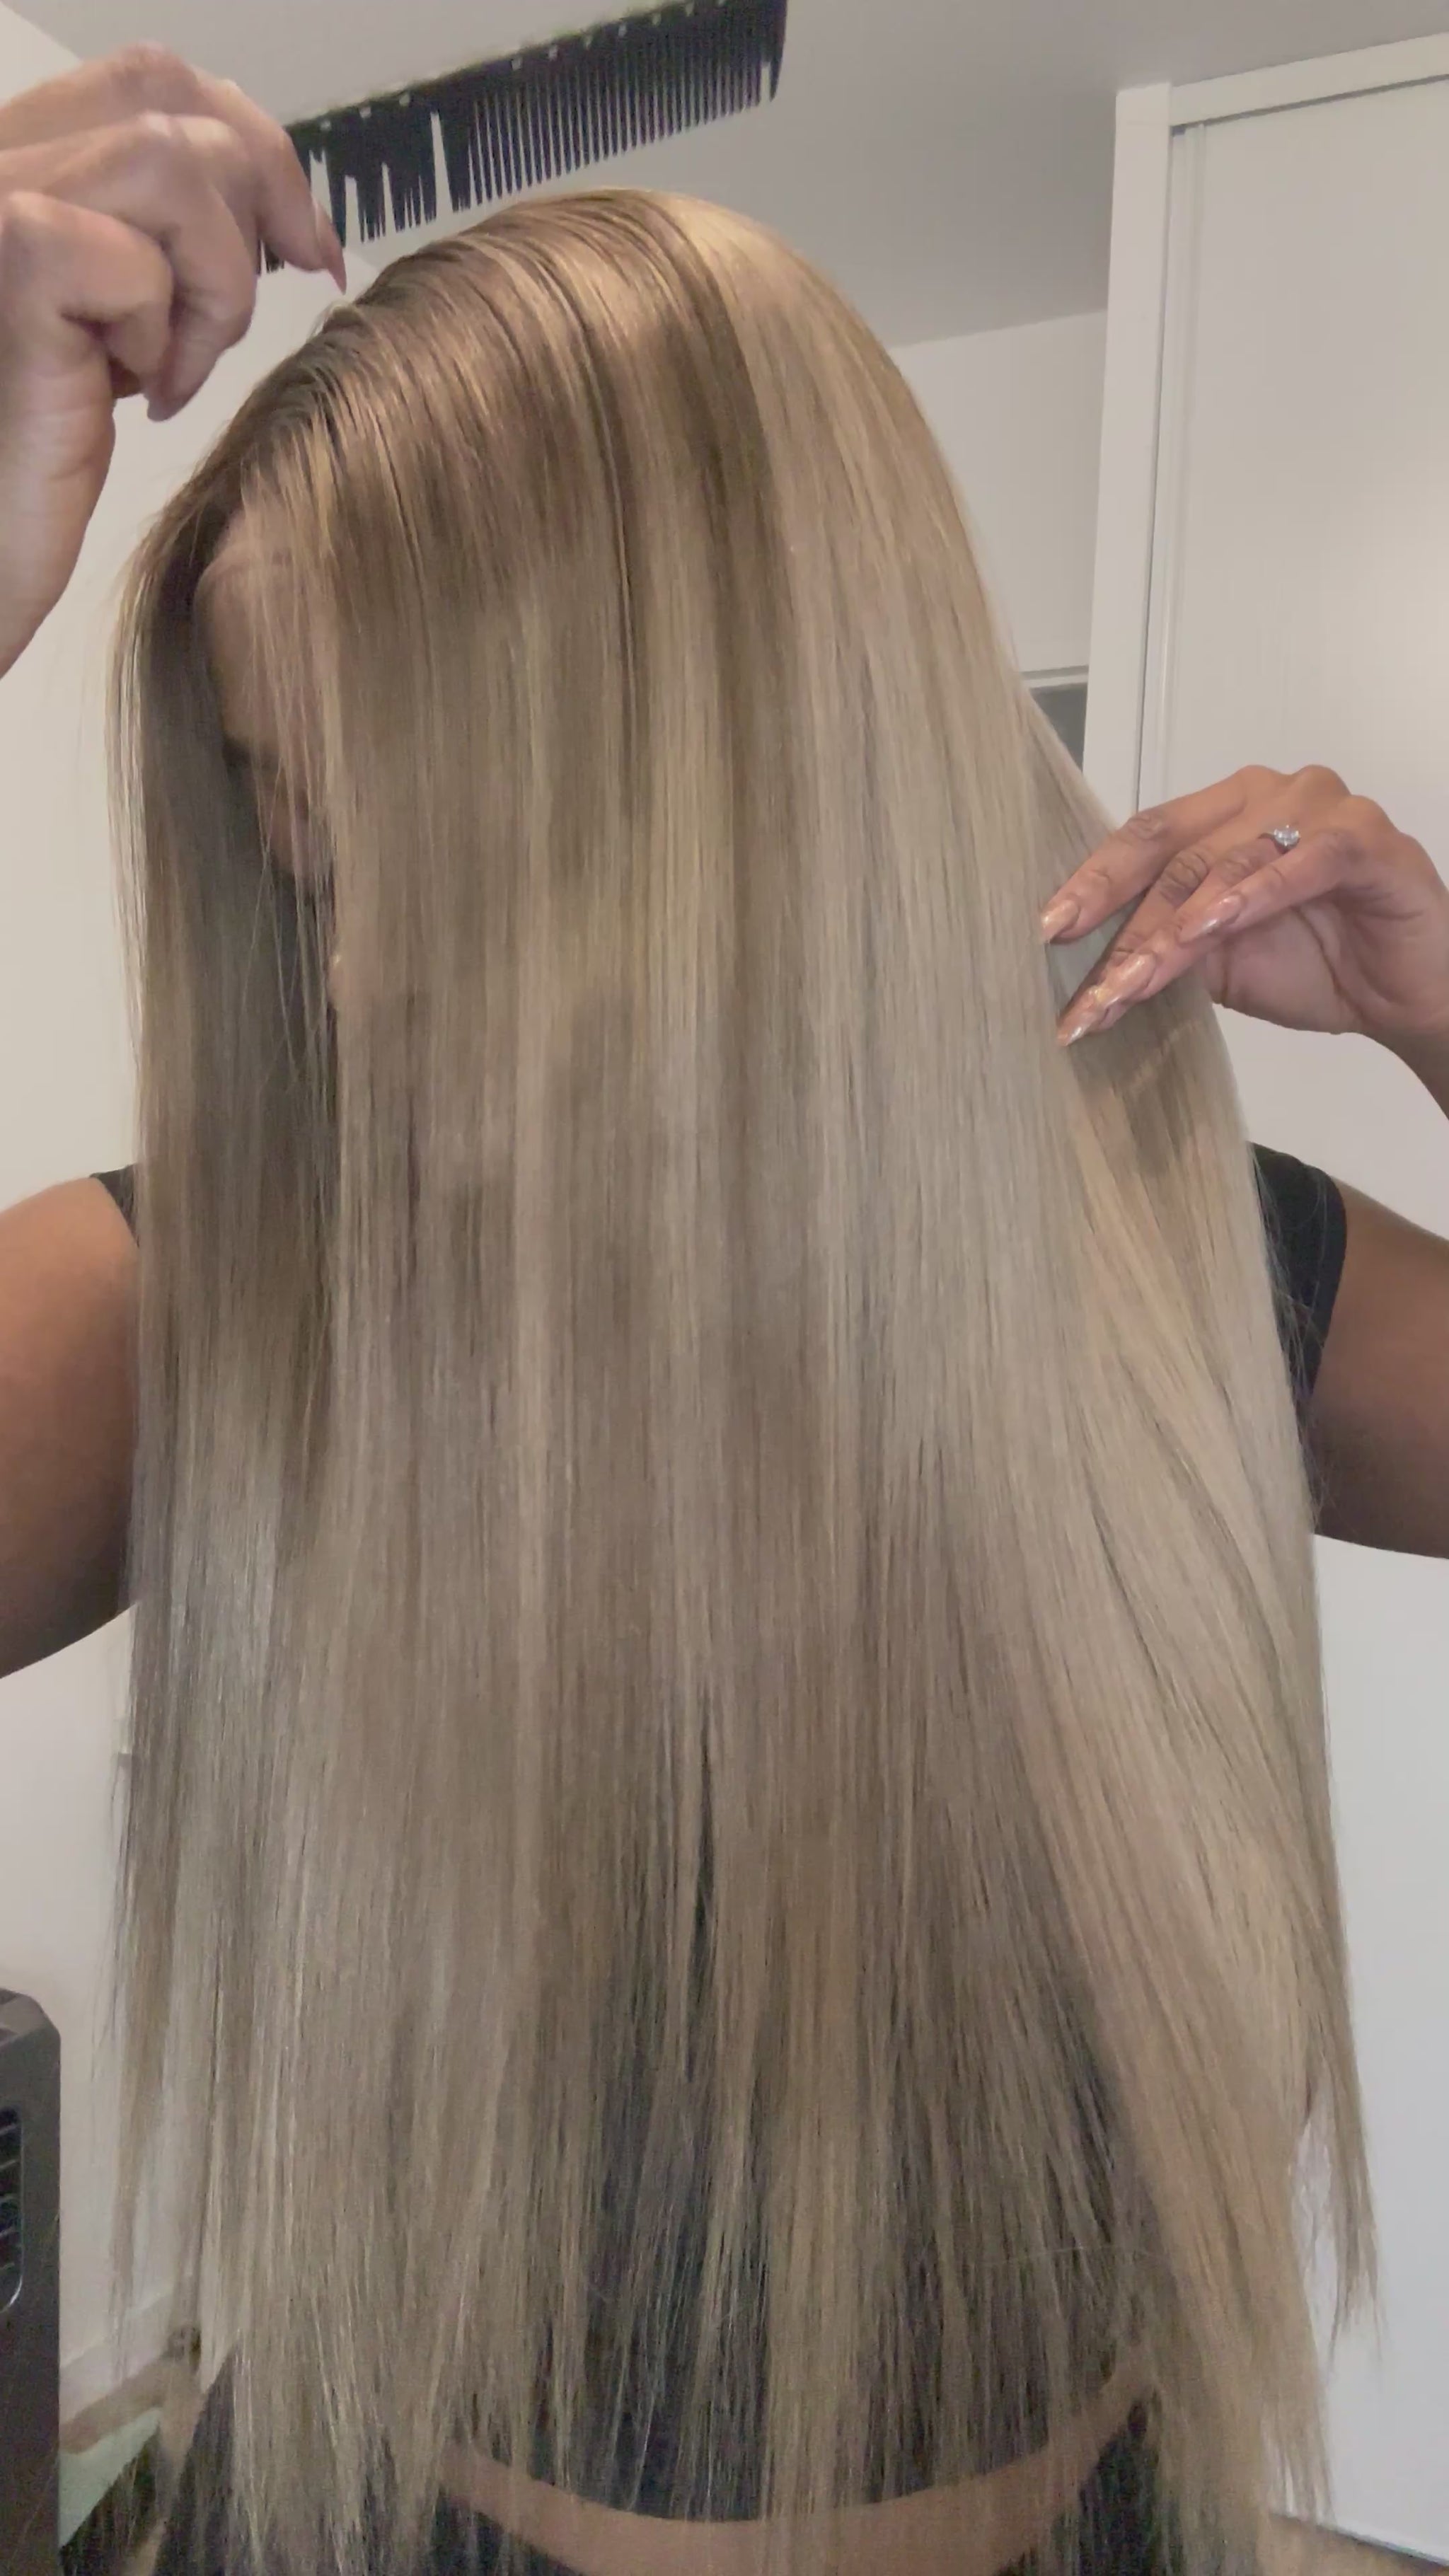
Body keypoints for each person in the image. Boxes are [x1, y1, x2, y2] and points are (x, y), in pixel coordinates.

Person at [0, 47, 1439, 2576]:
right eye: (305, 853)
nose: (355, 980)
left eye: (450, 844)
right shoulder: (219, 1290)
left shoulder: (1177, 1253)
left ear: (761, 790)